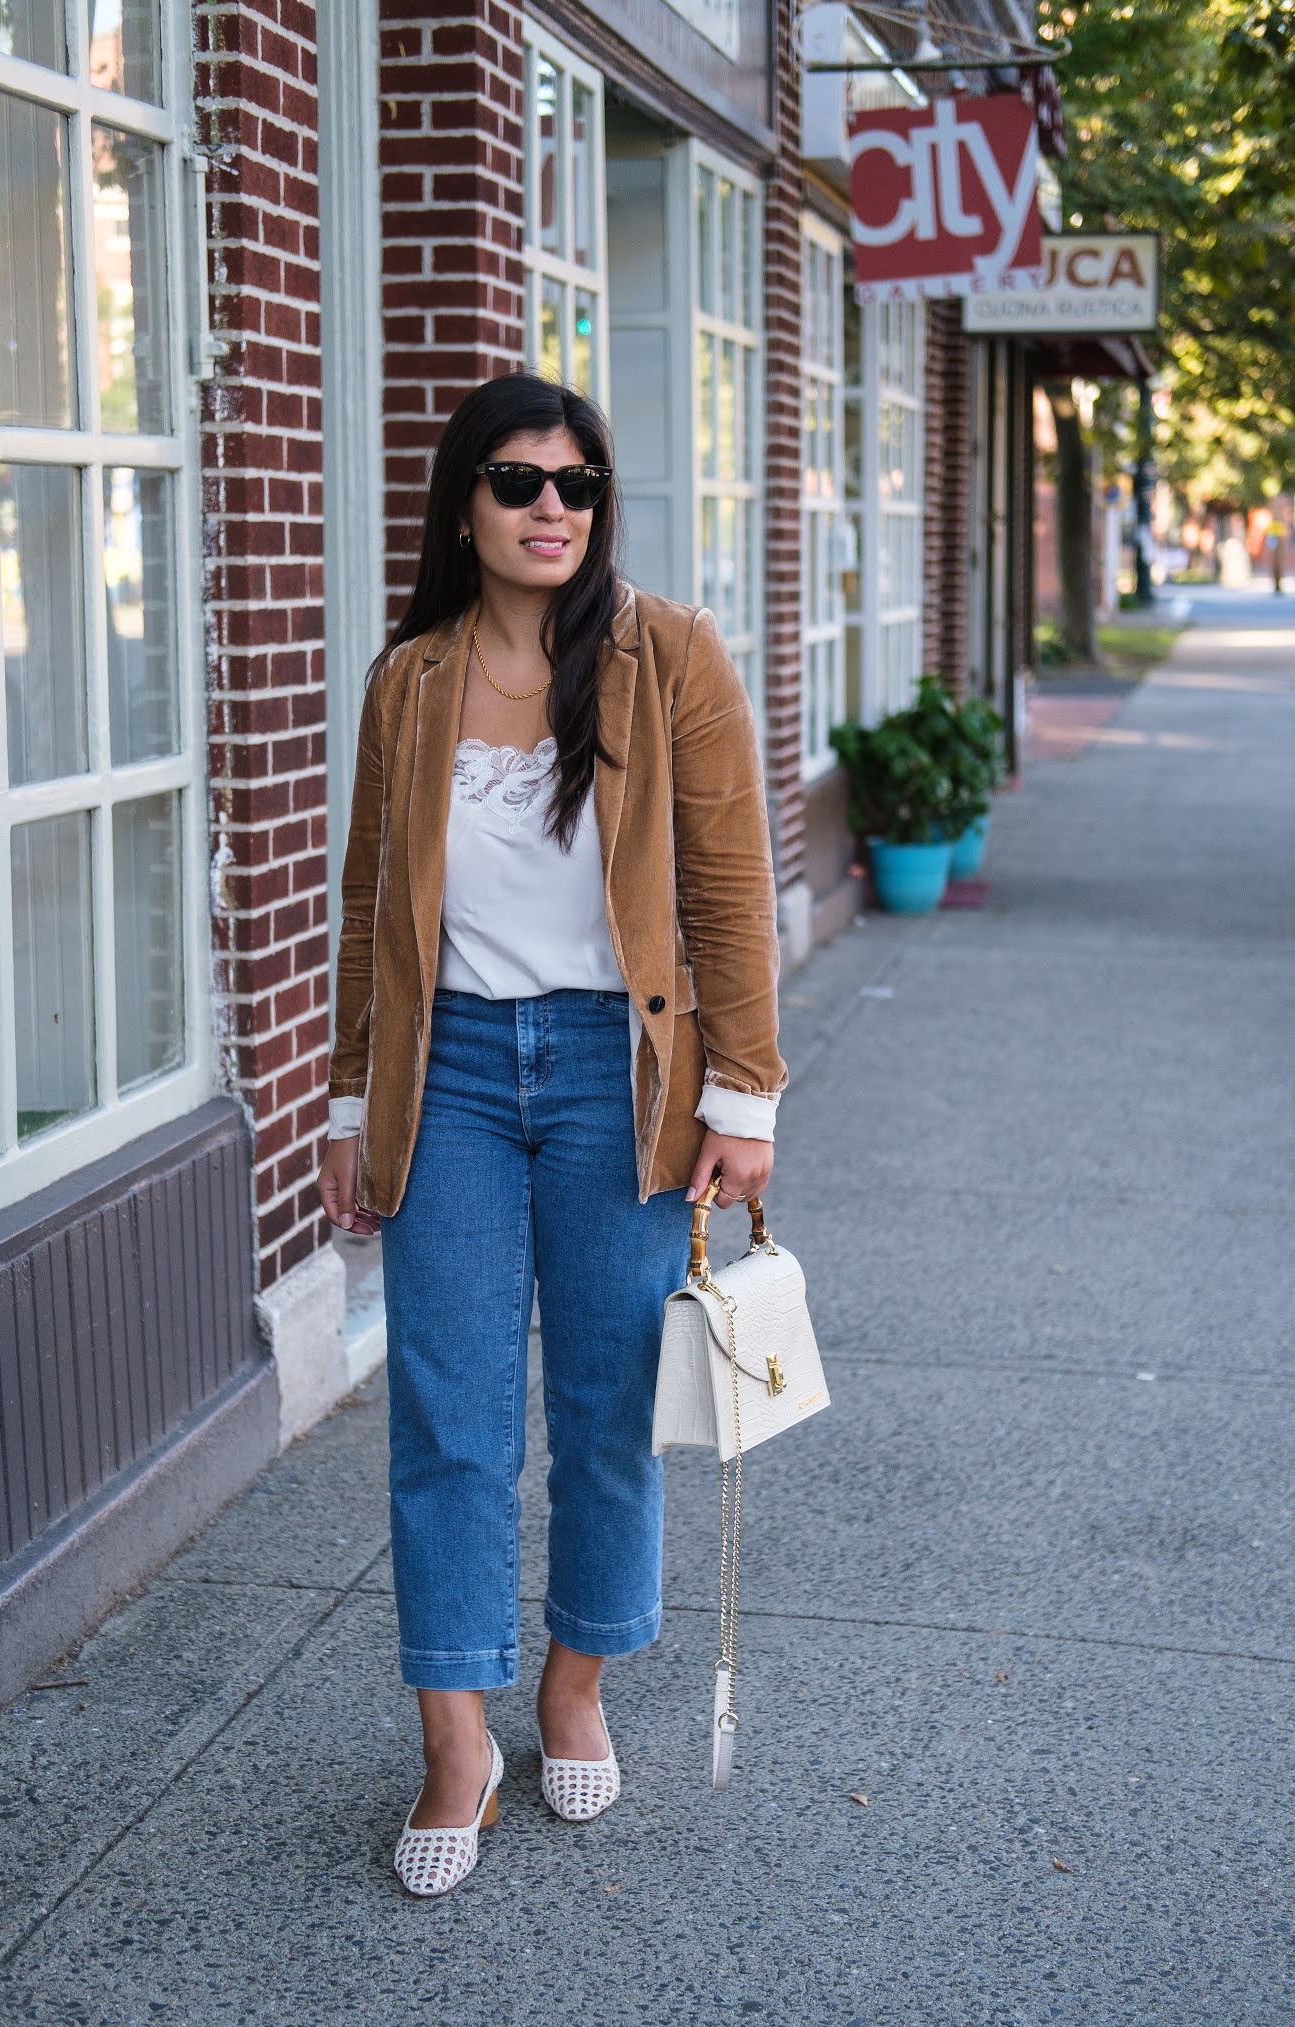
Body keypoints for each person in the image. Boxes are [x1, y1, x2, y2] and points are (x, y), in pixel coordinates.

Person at [318, 373, 785, 1897]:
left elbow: (727, 888)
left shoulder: (671, 660)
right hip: (444, 1073)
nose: (549, 509)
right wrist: (345, 1099)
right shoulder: (409, 683)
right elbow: (364, 916)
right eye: (519, 481)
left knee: (604, 1412)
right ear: (465, 503)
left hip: (617, 1075)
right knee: (446, 1418)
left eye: (577, 485)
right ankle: (456, 1742)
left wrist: (744, 1103)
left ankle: (571, 1687)